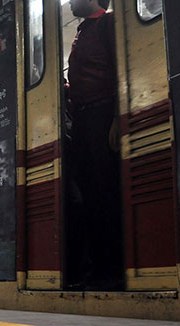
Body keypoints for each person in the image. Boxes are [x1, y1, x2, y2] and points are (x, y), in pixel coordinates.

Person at [65, 0, 122, 289]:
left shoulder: (106, 24)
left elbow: (119, 71)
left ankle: (110, 270)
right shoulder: (83, 31)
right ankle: (96, 268)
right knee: (89, 195)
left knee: (104, 193)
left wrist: (117, 118)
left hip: (101, 114)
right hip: (84, 120)